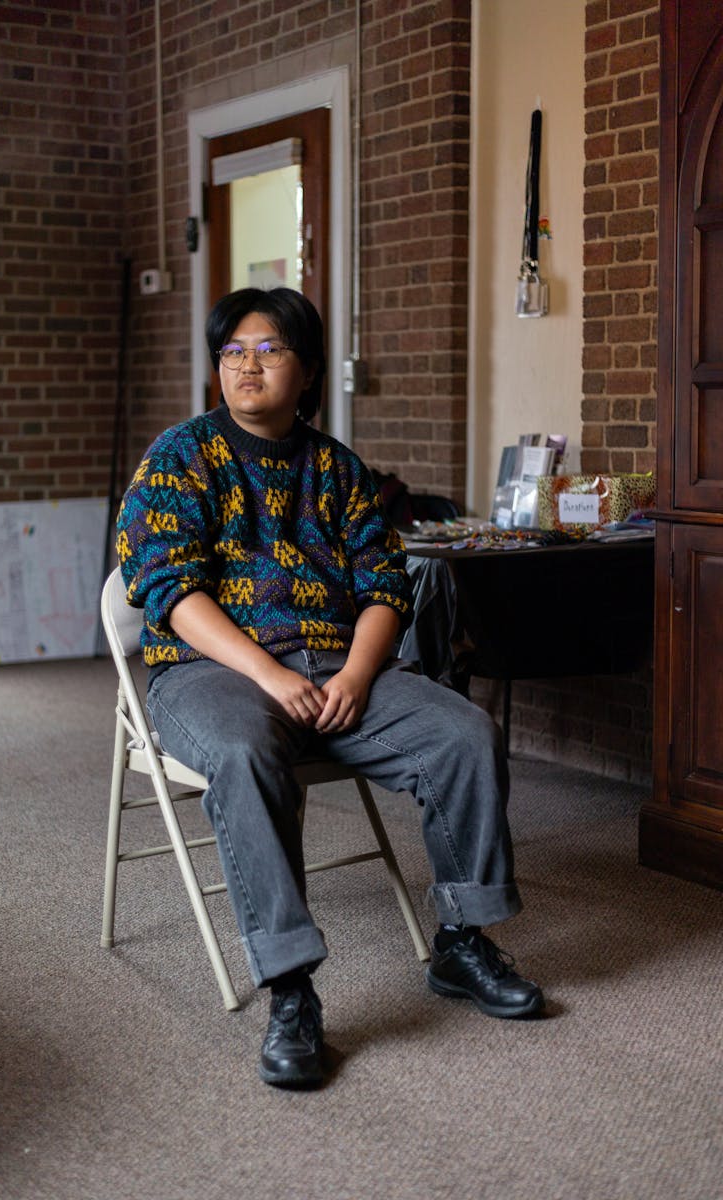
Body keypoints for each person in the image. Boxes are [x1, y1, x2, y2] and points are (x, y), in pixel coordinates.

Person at [116, 286, 544, 1089]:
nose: (247, 365)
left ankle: (463, 942)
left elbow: (386, 587)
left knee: (464, 735)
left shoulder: (338, 469)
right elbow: (170, 592)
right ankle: (291, 991)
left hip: (338, 669)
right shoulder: (178, 456)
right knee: (245, 754)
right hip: (215, 671)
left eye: (269, 349)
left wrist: (354, 673)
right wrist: (269, 673)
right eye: (232, 351)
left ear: (308, 371)